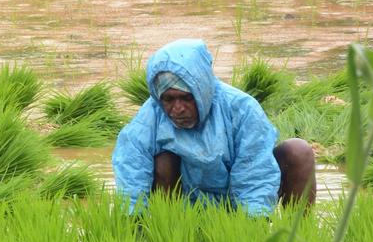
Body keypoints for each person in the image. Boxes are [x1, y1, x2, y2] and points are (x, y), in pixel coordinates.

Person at [113, 39, 316, 217]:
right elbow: (132, 166)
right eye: (169, 99)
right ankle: (172, 229)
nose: (177, 109)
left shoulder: (241, 108)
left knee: (298, 151)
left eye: (186, 98)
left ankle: (298, 236)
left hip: (234, 198)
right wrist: (133, 222)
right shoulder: (153, 112)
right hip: (186, 202)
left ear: (201, 89)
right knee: (163, 161)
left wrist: (252, 225)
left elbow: (253, 170)